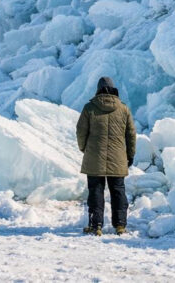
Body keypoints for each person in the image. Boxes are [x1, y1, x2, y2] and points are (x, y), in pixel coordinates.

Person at [75, 76, 136, 236]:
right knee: (118, 191)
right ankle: (120, 225)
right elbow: (131, 134)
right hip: (118, 157)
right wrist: (130, 155)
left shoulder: (89, 108)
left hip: (94, 156)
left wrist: (84, 149)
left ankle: (97, 226)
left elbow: (81, 131)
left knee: (95, 191)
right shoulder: (123, 109)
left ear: (98, 89)